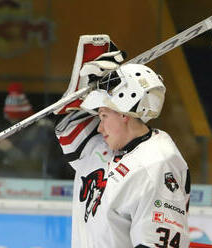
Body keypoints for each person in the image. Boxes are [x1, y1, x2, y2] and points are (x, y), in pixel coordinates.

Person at [54, 35, 190, 247]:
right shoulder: (104, 147)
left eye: (103, 116)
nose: (99, 127)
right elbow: (67, 130)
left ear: (124, 113)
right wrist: (90, 83)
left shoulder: (156, 164)